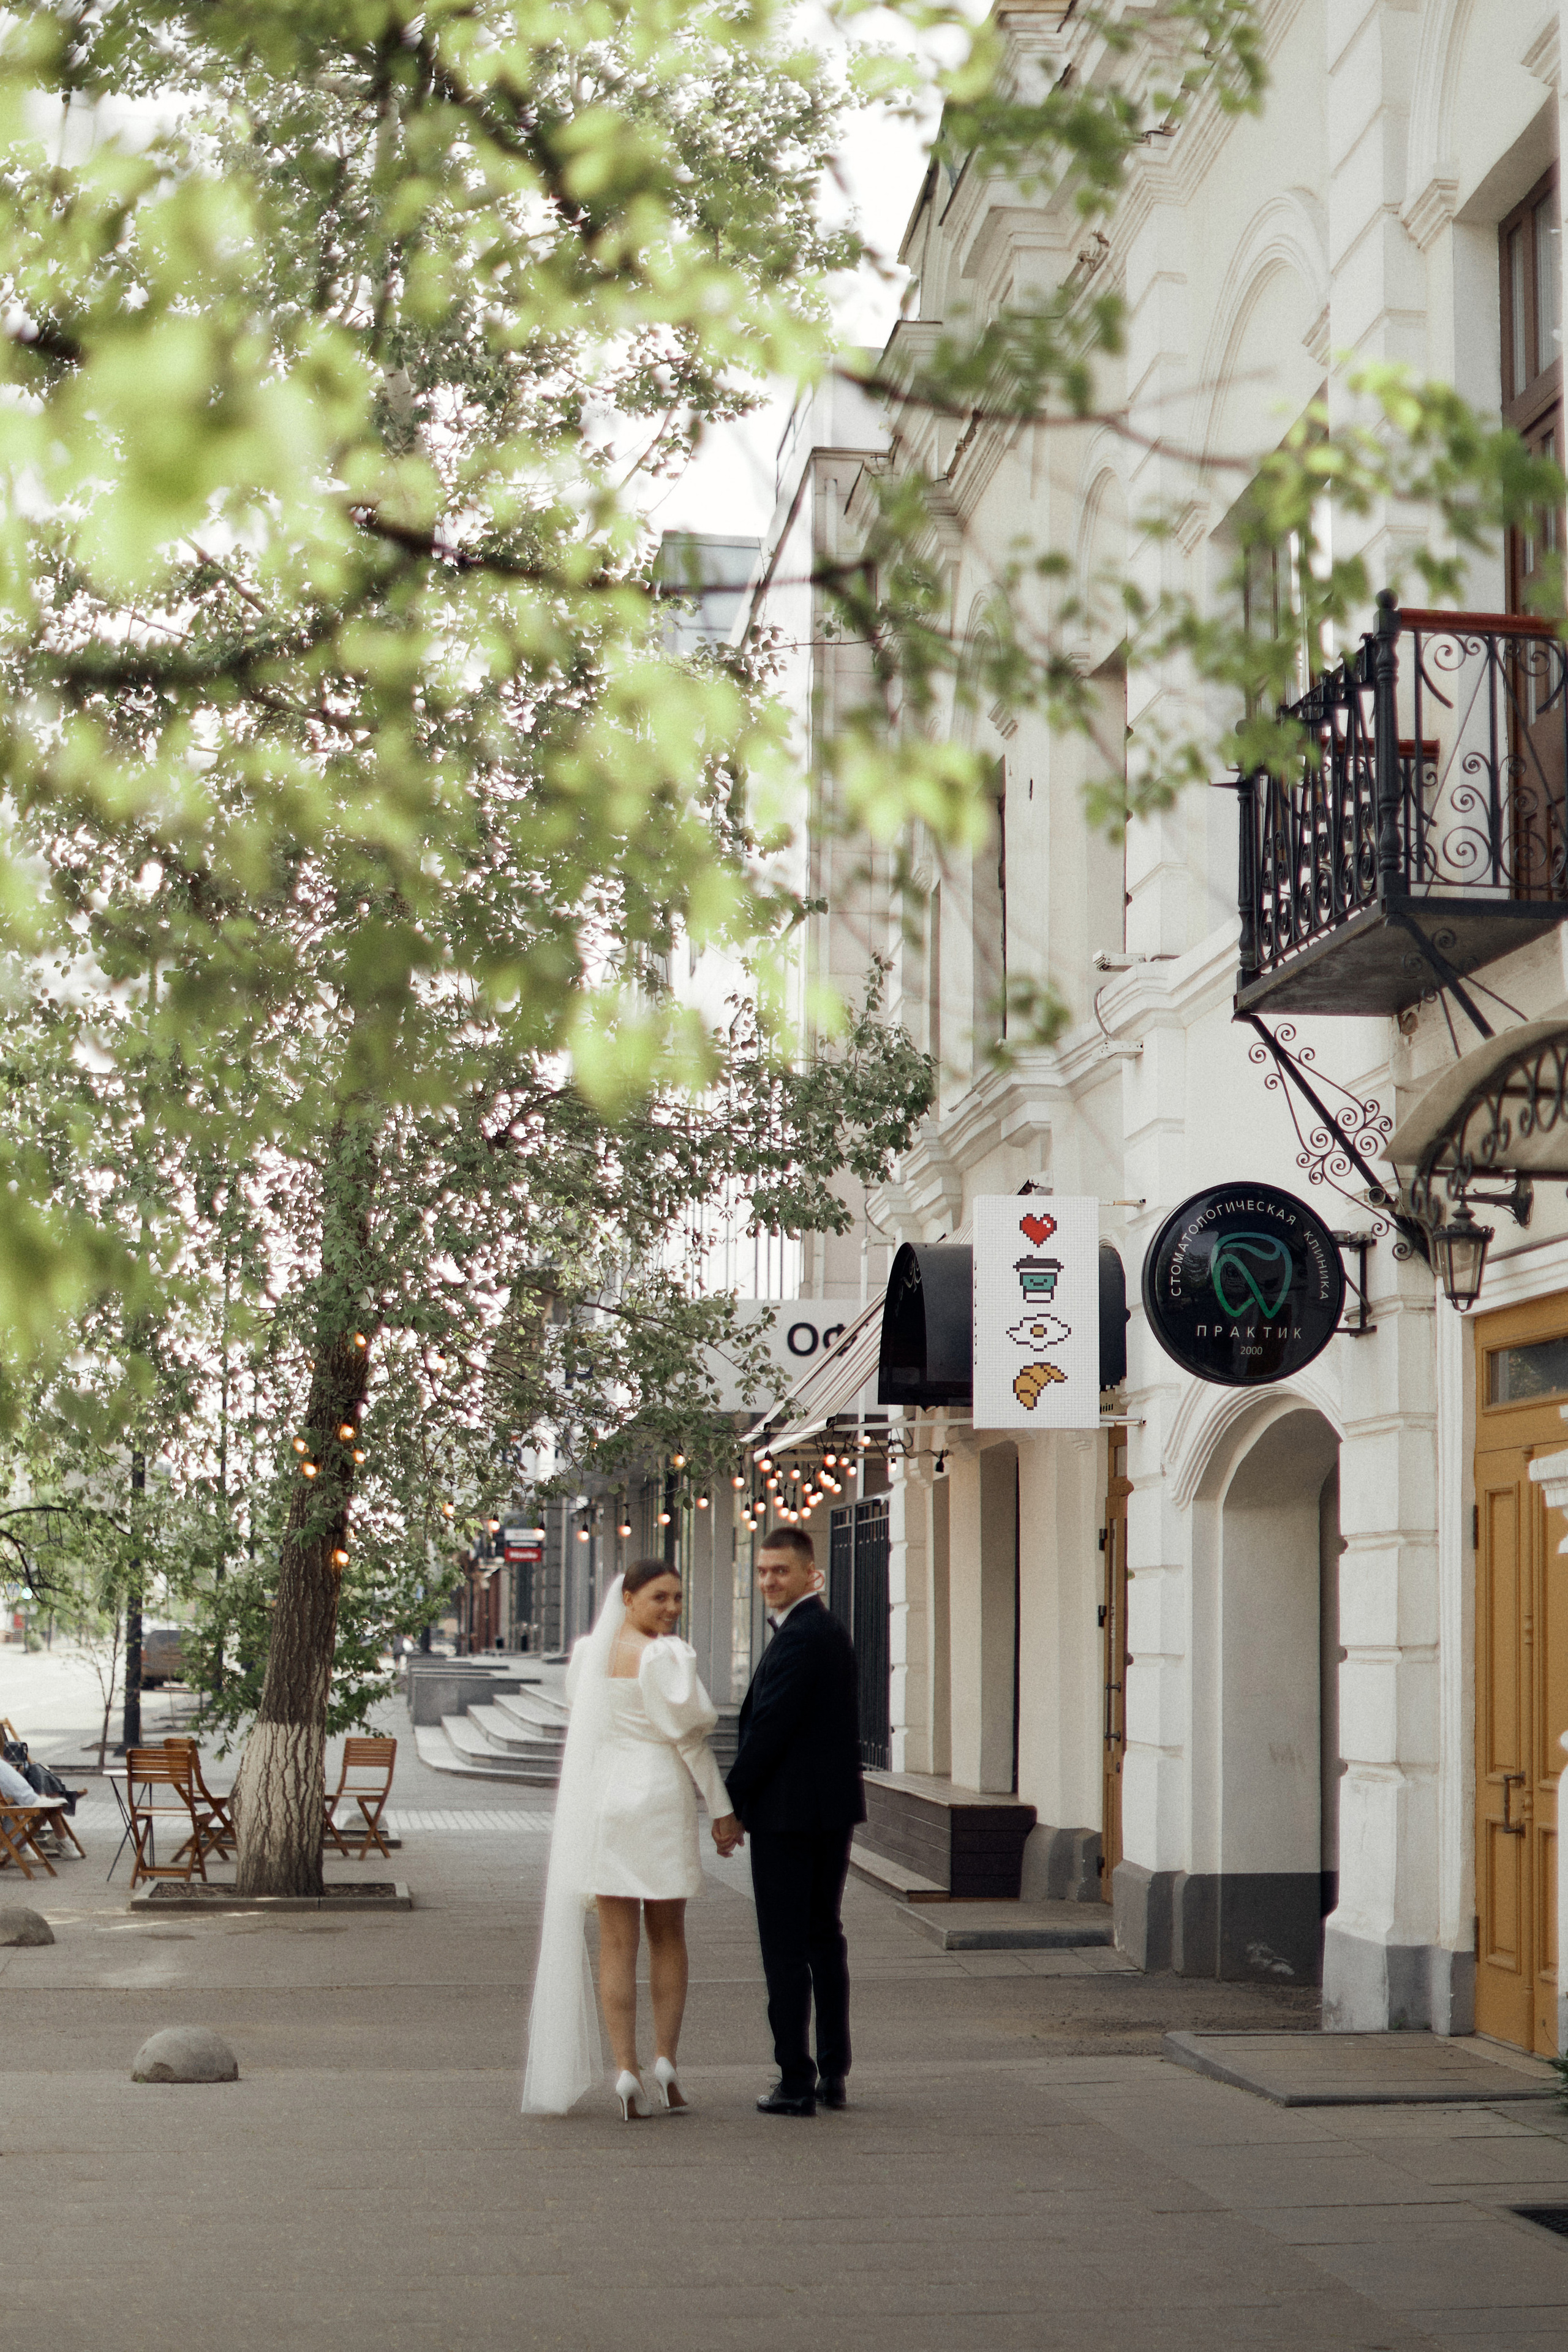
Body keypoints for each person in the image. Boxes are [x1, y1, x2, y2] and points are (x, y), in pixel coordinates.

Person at [521, 1558, 742, 2121]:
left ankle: (626, 2069)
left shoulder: (588, 1657)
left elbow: (587, 1724)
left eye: (677, 1599)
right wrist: (722, 1810)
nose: (670, 1609)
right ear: (630, 1599)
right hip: (659, 1795)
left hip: (606, 1800)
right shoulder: (666, 1655)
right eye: (659, 1598)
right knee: (667, 1936)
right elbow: (690, 1740)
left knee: (616, 1943)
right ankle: (664, 2059)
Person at [720, 1525, 865, 2117]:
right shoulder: (820, 1631)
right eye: (761, 1571)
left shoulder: (805, 1635)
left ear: (812, 1574)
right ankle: (832, 2072)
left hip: (789, 1818)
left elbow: (769, 1731)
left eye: (779, 1570)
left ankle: (795, 2080)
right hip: (827, 1812)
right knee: (822, 1940)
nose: (768, 1581)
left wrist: (728, 1806)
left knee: (786, 1949)